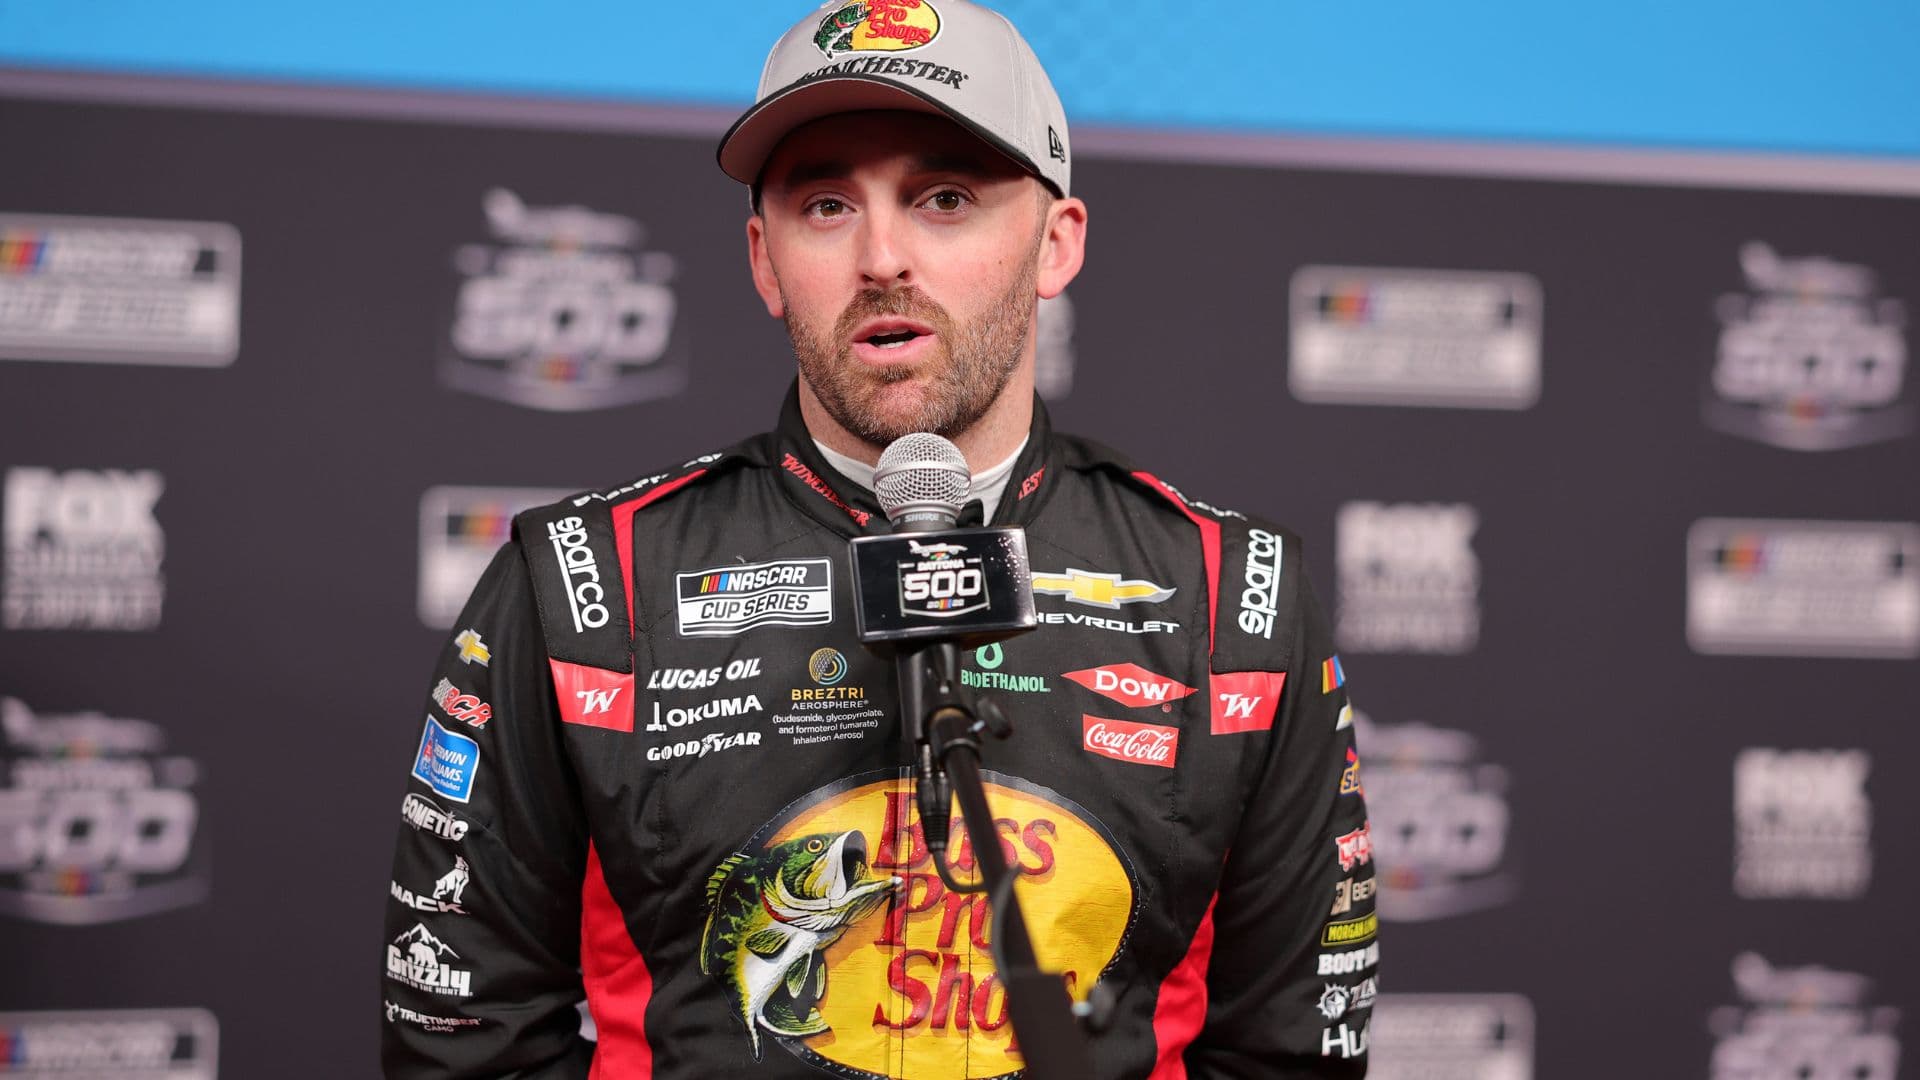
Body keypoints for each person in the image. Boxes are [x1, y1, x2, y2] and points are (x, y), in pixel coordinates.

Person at [381, 2, 1378, 1076]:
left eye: (945, 198)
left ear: (1056, 243)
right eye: (825, 205)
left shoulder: (1235, 595)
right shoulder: (585, 584)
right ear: (765, 262)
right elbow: (463, 1043)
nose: (883, 256)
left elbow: (1292, 1056)